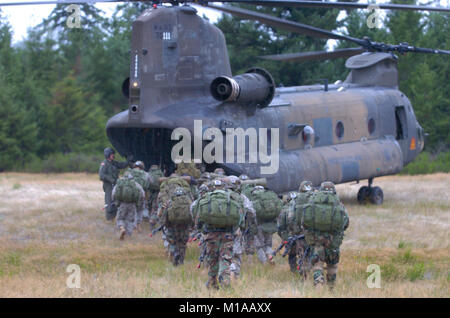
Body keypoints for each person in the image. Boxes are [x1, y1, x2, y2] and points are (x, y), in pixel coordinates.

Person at [192, 179, 245, 289]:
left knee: (212, 259)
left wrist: (202, 230)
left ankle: (212, 283)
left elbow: (196, 215)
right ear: (224, 187)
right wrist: (234, 230)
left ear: (212, 187)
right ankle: (225, 280)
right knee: (225, 258)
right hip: (227, 235)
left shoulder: (205, 198)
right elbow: (240, 218)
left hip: (210, 235)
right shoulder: (232, 198)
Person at [302, 181, 349, 288]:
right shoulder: (339, 204)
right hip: (333, 241)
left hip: (316, 240)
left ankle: (319, 284)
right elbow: (345, 223)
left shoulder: (313, 203)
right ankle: (331, 288)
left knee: (317, 265)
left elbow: (304, 222)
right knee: (332, 265)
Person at [157, 174, 194, 266]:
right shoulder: (187, 196)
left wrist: (163, 222)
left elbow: (160, 214)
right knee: (183, 242)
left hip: (172, 223)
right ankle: (181, 260)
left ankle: (174, 254)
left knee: (173, 240)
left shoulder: (168, 198)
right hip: (185, 223)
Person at [226, 176, 257, 279]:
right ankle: (235, 275)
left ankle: (224, 274)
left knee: (223, 254)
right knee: (236, 254)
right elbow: (251, 212)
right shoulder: (242, 197)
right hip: (237, 230)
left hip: (220, 231)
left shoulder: (218, 196)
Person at [250, 185, 283, 264]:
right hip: (270, 225)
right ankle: (270, 256)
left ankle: (264, 263)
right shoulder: (270, 199)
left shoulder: (255, 200)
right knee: (268, 244)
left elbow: (251, 213)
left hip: (259, 225)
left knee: (259, 246)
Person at [99, 147, 132, 220]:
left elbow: (121, 165)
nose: (113, 156)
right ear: (108, 155)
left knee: (116, 201)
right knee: (109, 202)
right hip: (109, 186)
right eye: (112, 154)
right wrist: (111, 180)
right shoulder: (104, 164)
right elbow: (101, 175)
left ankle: (115, 216)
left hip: (115, 184)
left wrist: (128, 161)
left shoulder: (113, 163)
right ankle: (109, 218)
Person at [112, 173, 145, 240]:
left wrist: (116, 203)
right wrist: (138, 204)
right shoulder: (135, 184)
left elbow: (113, 194)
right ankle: (128, 235)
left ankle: (122, 228)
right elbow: (142, 195)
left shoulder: (120, 184)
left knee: (120, 218)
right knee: (130, 220)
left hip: (122, 204)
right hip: (132, 205)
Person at [128, 161, 152, 233]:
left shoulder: (130, 173)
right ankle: (138, 225)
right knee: (140, 210)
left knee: (133, 209)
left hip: (132, 194)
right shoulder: (146, 174)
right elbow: (150, 183)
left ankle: (133, 225)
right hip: (141, 194)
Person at [148, 164, 164, 231]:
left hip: (150, 192)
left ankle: (150, 219)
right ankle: (152, 221)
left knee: (149, 206)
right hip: (157, 192)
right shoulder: (160, 173)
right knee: (155, 207)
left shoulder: (149, 173)